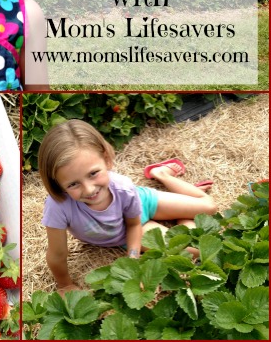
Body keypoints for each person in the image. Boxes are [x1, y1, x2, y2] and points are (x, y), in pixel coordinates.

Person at [37, 119, 218, 297]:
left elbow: (133, 223)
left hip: (143, 202)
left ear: (106, 160)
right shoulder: (58, 207)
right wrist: (65, 285)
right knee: (192, 252)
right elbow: (57, 254)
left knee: (210, 207)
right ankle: (182, 215)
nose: (89, 189)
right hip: (128, 230)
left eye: (93, 173)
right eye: (73, 184)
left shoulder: (123, 187)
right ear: (58, 184)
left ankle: (162, 174)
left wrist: (133, 259)